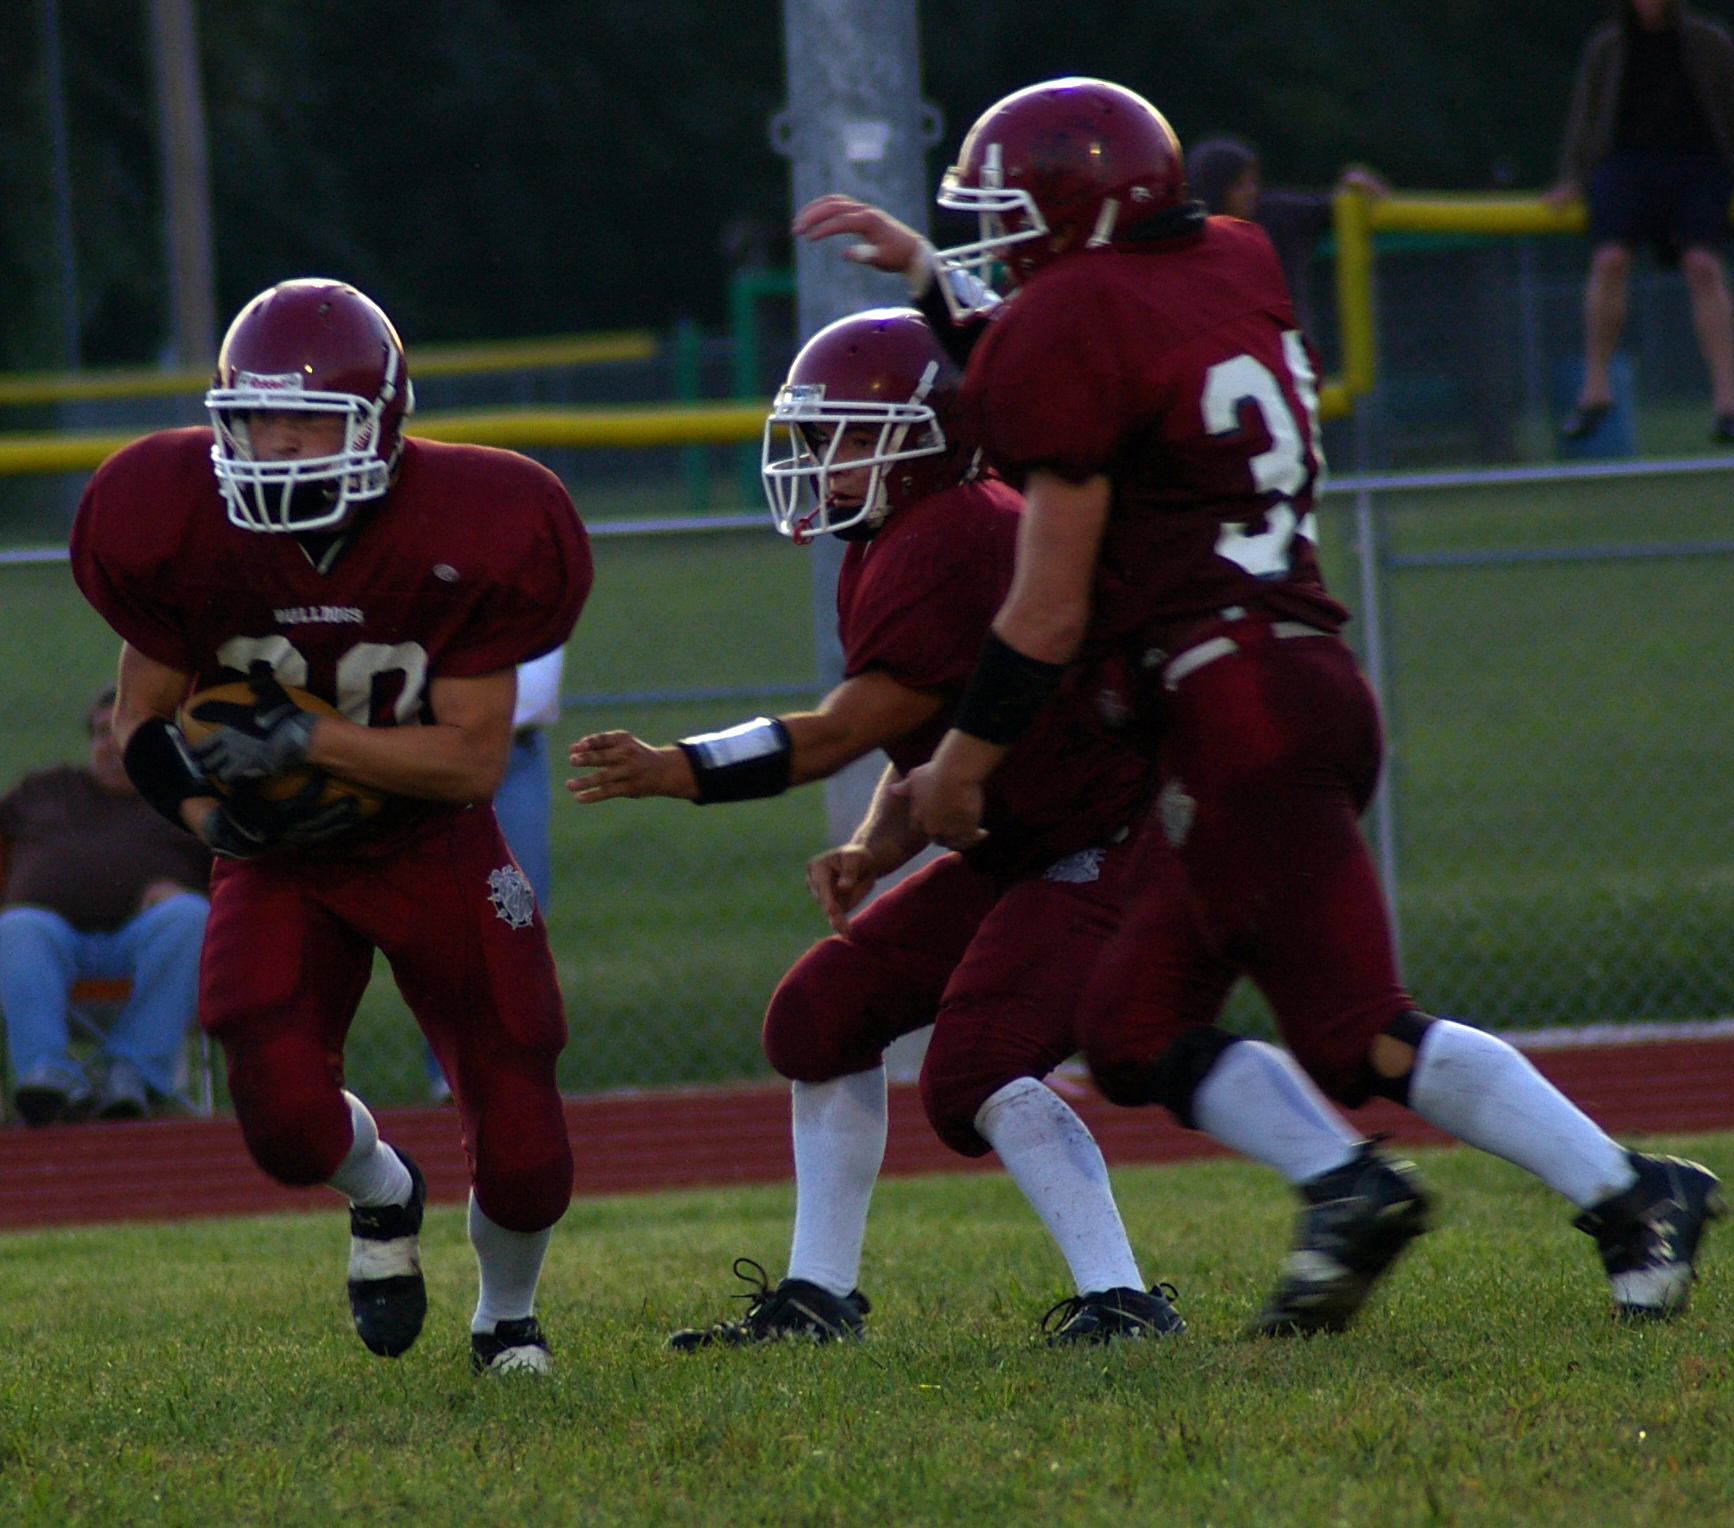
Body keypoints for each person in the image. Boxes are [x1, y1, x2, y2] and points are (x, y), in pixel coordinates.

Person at [819, 76, 1720, 1332]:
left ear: (1074, 206)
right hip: (1290, 678)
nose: (997, 239)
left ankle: (1579, 1189)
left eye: (1009, 212)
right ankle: (1399, 1188)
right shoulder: (1230, 257)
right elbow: (1090, 355)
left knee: (1355, 1032)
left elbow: (1045, 607)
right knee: (1133, 1024)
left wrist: (964, 760)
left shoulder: (1073, 318)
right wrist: (929, 279)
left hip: (1233, 704)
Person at [567, 308, 1189, 1343]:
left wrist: (678, 769)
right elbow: (923, 735)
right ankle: (818, 1295)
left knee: (976, 1063)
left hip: (1109, 842)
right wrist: (873, 847)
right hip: (1019, 847)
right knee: (822, 1015)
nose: (833, 461)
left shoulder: (951, 537)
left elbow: (838, 732)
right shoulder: (898, 540)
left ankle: (1121, 1298)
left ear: (929, 433)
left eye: (860, 435)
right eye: (822, 437)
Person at [70, 278, 593, 1375]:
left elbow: (471, 755)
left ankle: (507, 1314)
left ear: (383, 424)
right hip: (282, 854)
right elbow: (143, 722)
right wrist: (224, 817)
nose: (276, 443)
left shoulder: (471, 522)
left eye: (308, 415)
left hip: (431, 839)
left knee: (525, 1122)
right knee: (281, 1116)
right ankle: (383, 1188)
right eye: (253, 416)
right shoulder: (182, 521)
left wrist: (308, 741)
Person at [1548, 0, 1734, 445]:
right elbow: (1586, 119)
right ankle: (1595, 389)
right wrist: (1573, 179)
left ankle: (1727, 405)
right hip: (1627, 168)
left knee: (1702, 266)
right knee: (1610, 259)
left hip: (1697, 166)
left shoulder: (1709, 44)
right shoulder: (1609, 47)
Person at [0, 686, 211, 1123]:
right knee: (19, 924)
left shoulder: (183, 799)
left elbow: (237, 877)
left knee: (188, 915)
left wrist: (190, 893)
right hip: (51, 950)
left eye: (121, 734)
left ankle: (131, 1074)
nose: (108, 747)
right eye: (99, 733)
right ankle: (47, 1076)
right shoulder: (43, 791)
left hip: (141, 950)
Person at [422, 645, 565, 1103]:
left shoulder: (529, 578)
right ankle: (451, 1074)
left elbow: (536, 694)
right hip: (430, 754)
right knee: (442, 918)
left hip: (510, 750)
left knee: (517, 914)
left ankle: (519, 1069)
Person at [1186, 137, 1387, 325]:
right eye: (1239, 184)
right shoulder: (1191, 237)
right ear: (1214, 190)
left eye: (1253, 181)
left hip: (1285, 345)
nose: (1250, 191)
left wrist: (1356, 182)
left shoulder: (1280, 216)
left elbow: (1342, 203)